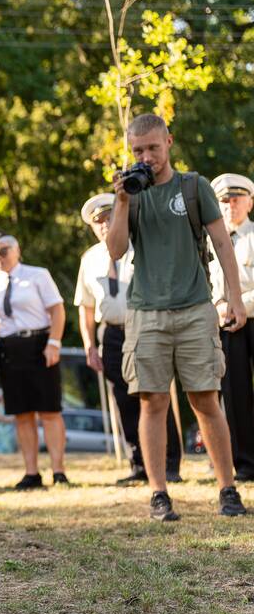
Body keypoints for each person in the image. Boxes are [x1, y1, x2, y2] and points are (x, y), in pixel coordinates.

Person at [107, 114, 247, 520]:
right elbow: (115, 251)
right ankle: (159, 495)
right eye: (137, 150)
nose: (146, 157)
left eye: (153, 147)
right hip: (145, 313)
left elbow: (222, 243)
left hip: (194, 308)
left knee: (205, 400)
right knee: (152, 402)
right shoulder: (129, 193)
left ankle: (227, 489)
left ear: (169, 142)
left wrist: (233, 298)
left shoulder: (194, 186)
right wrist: (120, 200)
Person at [74, 193, 182, 486]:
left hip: (144, 326)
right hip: (110, 332)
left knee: (154, 394)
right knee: (123, 400)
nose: (105, 224)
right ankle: (139, 463)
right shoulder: (90, 258)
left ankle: (169, 464)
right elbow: (85, 306)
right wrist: (89, 346)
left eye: (109, 217)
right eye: (98, 222)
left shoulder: (140, 245)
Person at [0, 229, 68, 489]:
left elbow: (57, 310)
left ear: (16, 251)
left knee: (49, 411)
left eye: (3, 251)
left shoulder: (38, 275)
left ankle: (58, 471)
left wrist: (54, 343)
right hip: (9, 349)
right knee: (21, 413)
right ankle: (32, 472)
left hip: (39, 344)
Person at [208, 173, 254, 483]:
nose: (230, 205)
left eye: (236, 199)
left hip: (251, 316)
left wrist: (239, 305)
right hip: (226, 324)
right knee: (234, 395)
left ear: (250, 201)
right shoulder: (208, 240)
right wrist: (218, 307)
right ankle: (245, 464)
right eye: (224, 200)